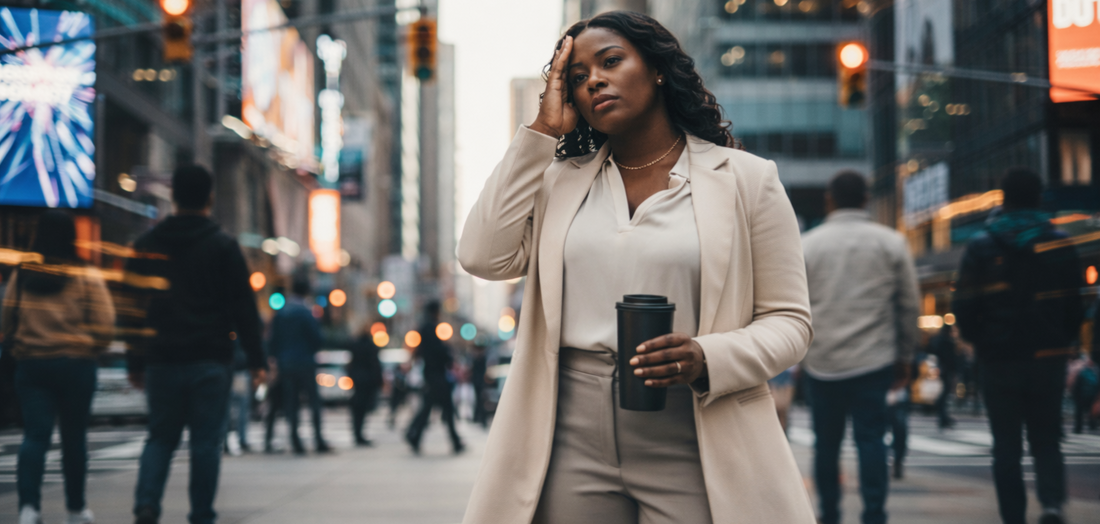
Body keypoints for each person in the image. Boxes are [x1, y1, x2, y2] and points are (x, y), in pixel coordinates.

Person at [456, 11, 815, 523]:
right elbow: (481, 256)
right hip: (569, 434)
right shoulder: (558, 183)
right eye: (577, 78)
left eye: (611, 62)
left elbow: (790, 322)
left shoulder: (747, 181)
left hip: (692, 427)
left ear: (657, 69)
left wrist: (706, 355)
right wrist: (541, 131)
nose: (593, 80)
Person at [123, 165, 267, 524]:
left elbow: (131, 309)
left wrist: (135, 360)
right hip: (209, 360)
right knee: (206, 443)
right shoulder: (223, 246)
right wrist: (257, 360)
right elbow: (243, 308)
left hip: (161, 359)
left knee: (160, 438)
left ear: (173, 197)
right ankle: (201, 513)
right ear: (210, 199)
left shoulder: (146, 244)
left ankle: (147, 504)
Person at [953, 168, 1084, 524]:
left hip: (999, 359)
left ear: (1003, 198)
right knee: (1046, 437)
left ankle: (1014, 515)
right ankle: (1053, 504)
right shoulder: (1059, 242)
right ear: (1040, 198)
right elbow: (1076, 302)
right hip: (1048, 357)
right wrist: (1063, 339)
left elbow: (964, 304)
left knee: (1006, 445)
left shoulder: (982, 245)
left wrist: (981, 341)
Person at [801, 171, 920, 524]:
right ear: (867, 199)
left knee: (826, 444)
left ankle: (829, 514)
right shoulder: (891, 243)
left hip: (822, 360)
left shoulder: (807, 244)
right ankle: (873, 514)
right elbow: (909, 305)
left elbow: (795, 303)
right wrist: (905, 356)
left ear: (829, 199)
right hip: (874, 358)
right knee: (871, 441)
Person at [4, 211, 115, 524]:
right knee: (74, 439)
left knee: (34, 437)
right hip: (76, 366)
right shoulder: (85, 274)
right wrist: (91, 345)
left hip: (32, 366)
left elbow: (5, 320)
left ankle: (29, 508)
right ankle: (76, 508)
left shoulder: (22, 274)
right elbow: (105, 326)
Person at [267, 277, 331, 455]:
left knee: (291, 403)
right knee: (313, 402)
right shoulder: (306, 312)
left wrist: (277, 358)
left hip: (286, 364)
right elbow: (317, 338)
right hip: (305, 362)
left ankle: (295, 441)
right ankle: (318, 439)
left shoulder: (282, 312)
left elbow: (273, 340)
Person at [405, 301, 464, 454]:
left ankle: (414, 435)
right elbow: (437, 351)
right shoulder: (430, 328)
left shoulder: (426, 328)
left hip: (433, 375)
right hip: (436, 376)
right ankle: (454, 441)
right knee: (444, 409)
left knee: (429, 408)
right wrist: (448, 354)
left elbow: (422, 351)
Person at [347, 323, 383, 446]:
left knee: (357, 408)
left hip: (358, 380)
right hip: (367, 381)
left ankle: (357, 433)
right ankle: (359, 434)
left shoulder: (354, 345)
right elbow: (375, 365)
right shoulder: (371, 346)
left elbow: (350, 364)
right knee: (362, 409)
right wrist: (378, 381)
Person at [929, 325, 959, 428]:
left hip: (942, 369)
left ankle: (943, 417)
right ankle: (943, 417)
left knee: (944, 393)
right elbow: (951, 358)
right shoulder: (946, 342)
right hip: (947, 369)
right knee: (944, 394)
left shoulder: (937, 340)